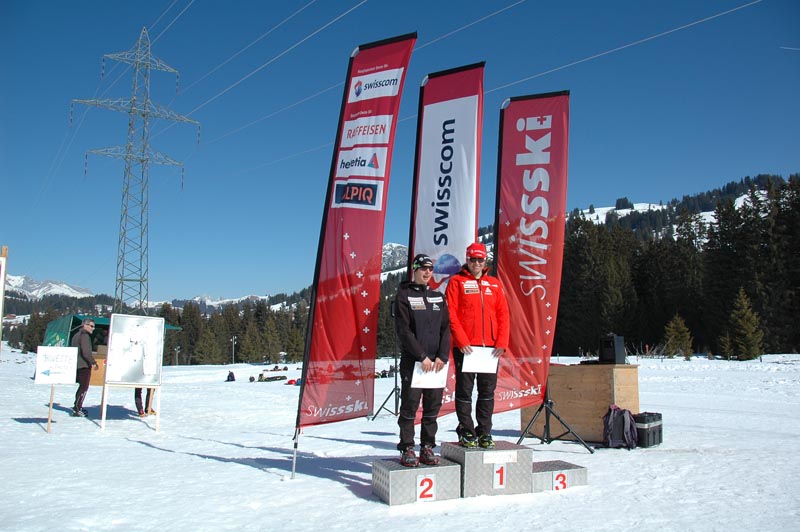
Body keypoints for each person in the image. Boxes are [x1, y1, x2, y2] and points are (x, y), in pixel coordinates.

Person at [445, 242, 510, 449]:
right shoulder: (456, 282)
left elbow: (503, 314)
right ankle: (466, 430)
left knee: (487, 392)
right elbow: (451, 313)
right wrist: (461, 340)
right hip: (466, 348)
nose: (476, 263)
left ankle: (484, 431)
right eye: (472, 259)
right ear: (467, 260)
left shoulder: (494, 284)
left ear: (485, 260)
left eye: (480, 259)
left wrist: (501, 341)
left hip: (490, 348)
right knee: (464, 391)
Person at [394, 253, 451, 467]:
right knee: (409, 406)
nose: (427, 272)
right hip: (414, 363)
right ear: (415, 270)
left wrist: (442, 356)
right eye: (423, 268)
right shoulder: (404, 295)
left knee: (432, 408)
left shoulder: (438, 296)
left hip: (436, 364)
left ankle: (427, 446)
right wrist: (421, 356)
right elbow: (404, 331)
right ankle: (407, 447)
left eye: (430, 269)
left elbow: (446, 329)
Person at [71, 318, 98, 417]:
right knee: (84, 387)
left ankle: (77, 406)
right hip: (83, 365)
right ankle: (77, 408)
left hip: (78, 364)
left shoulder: (76, 335)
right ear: (84, 325)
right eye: (91, 326)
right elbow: (86, 352)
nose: (93, 328)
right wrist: (93, 362)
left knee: (81, 387)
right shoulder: (85, 336)